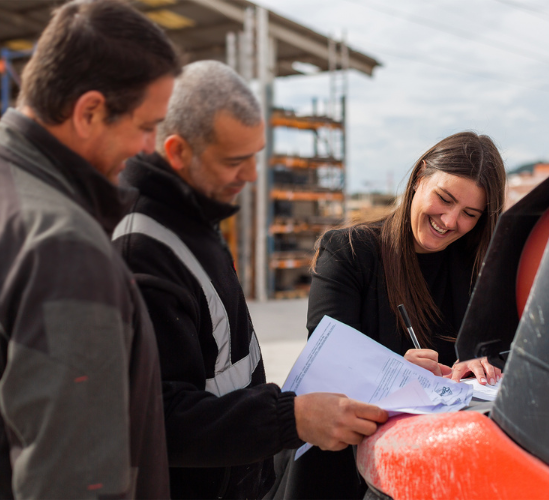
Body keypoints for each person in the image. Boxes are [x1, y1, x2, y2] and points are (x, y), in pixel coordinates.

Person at [112, 60, 387, 499]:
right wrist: (288, 419)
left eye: (255, 155)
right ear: (178, 151)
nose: (252, 175)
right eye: (235, 161)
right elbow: (153, 417)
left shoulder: (196, 213)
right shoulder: (141, 250)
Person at [0, 1, 180, 498]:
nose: (149, 148)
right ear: (89, 111)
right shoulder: (65, 247)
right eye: (147, 126)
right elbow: (78, 480)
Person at [285, 131, 508, 499]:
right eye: (444, 198)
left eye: (469, 214)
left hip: (432, 471)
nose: (450, 221)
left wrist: (485, 361)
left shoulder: (477, 268)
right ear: (419, 177)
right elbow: (326, 367)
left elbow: (504, 349)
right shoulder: (349, 252)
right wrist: (396, 374)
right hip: (341, 470)